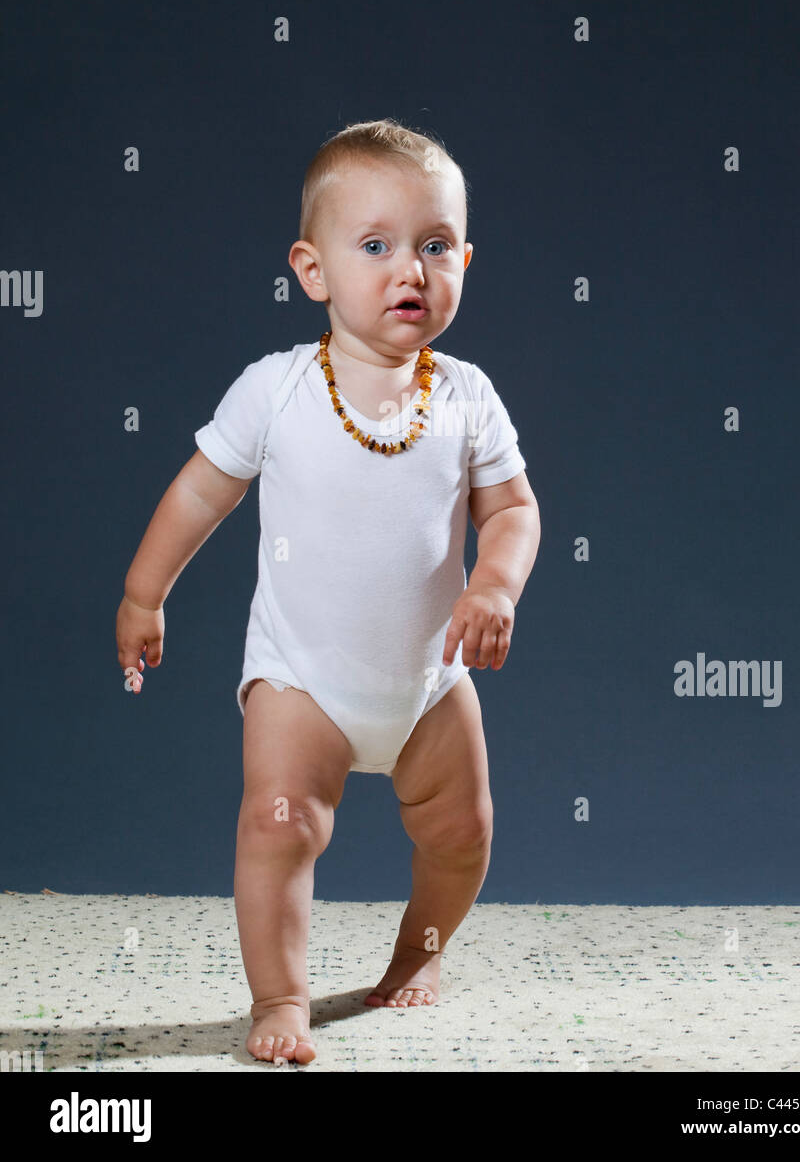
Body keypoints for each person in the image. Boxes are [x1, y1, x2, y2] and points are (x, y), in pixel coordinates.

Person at [115, 118, 541, 1065]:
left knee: (465, 831)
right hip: (300, 681)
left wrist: (496, 584)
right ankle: (281, 998)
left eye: (436, 247)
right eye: (378, 246)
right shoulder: (277, 390)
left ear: (466, 259)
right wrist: (146, 595)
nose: (411, 272)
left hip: (428, 684)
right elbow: (197, 493)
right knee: (278, 825)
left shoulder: (467, 396)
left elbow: (513, 511)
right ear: (313, 271)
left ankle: (413, 957)